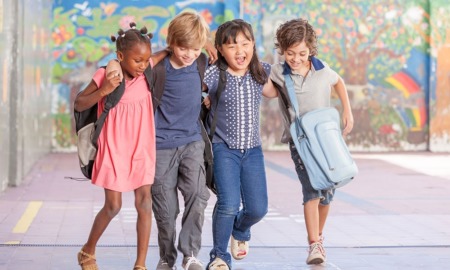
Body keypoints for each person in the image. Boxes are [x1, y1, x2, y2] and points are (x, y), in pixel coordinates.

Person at [270, 18, 354, 265]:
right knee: (312, 190)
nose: (296, 59)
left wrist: (347, 111)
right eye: (290, 53)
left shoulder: (322, 69)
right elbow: (265, 90)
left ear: (311, 50)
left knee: (327, 193)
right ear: (282, 50)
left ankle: (318, 237)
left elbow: (338, 82)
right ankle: (314, 244)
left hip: (327, 141)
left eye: (302, 53)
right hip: (300, 142)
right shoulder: (278, 72)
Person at [74, 22, 156, 270]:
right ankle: (87, 252)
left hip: (142, 146)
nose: (142, 65)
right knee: (113, 206)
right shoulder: (105, 75)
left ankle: (140, 264)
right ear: (120, 56)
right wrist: (105, 90)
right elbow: (79, 104)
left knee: (144, 203)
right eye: (137, 60)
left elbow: (175, 49)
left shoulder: (147, 71)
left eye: (146, 60)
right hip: (114, 148)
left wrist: (205, 42)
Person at [203, 19, 277, 270]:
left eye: (245, 44)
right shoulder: (214, 73)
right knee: (228, 203)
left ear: (254, 45)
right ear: (220, 49)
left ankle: (240, 230)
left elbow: (275, 91)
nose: (240, 51)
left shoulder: (260, 72)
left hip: (253, 151)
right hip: (224, 149)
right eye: (232, 46)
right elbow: (196, 85)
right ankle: (219, 256)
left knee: (258, 209)